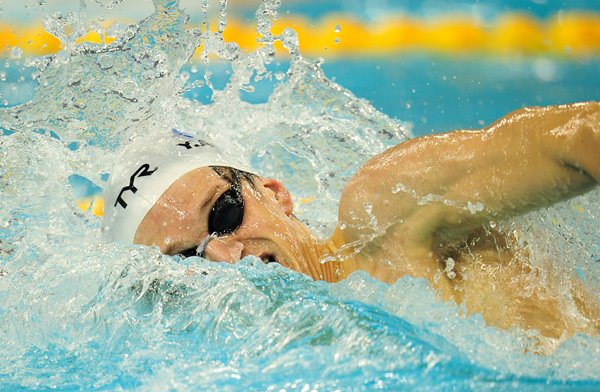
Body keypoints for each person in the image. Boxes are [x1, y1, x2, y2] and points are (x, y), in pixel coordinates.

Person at [103, 102, 600, 344]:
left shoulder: (385, 213)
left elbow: (578, 141)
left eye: (224, 214)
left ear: (275, 194)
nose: (225, 256)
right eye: (190, 257)